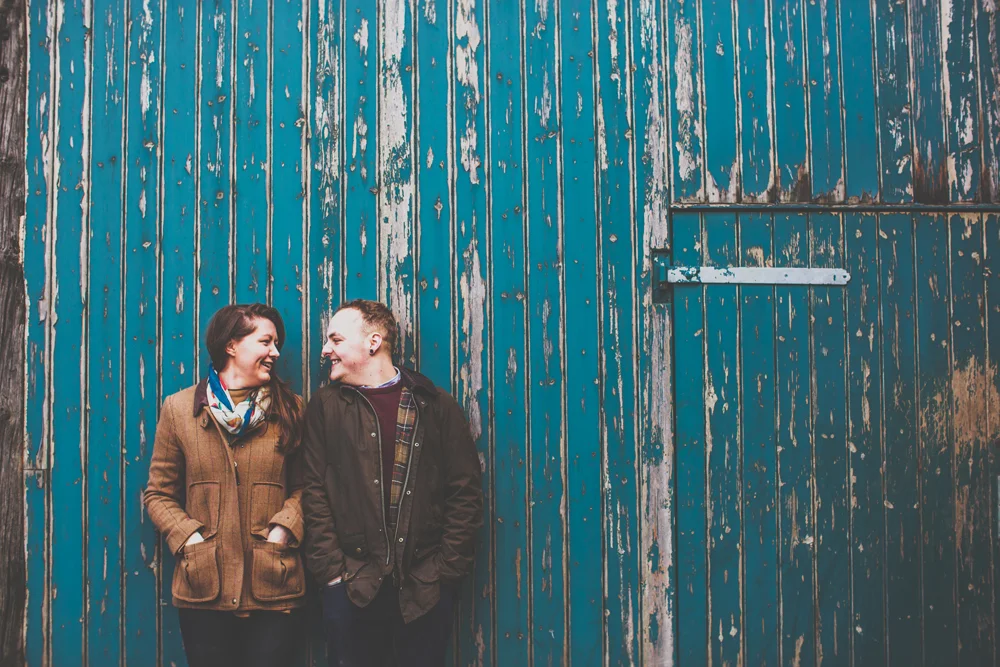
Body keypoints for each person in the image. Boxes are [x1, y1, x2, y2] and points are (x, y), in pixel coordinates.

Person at [302, 299, 483, 666]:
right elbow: (312, 490)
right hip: (351, 586)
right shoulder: (325, 407)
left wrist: (444, 571)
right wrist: (332, 574)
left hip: (424, 588)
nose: (325, 350)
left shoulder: (434, 405)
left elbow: (464, 493)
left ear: (373, 342)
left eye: (336, 340)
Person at [144, 303, 307, 667]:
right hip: (204, 585)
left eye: (277, 344)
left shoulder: (292, 409)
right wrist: (189, 538)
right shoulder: (179, 409)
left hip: (273, 582)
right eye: (266, 342)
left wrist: (283, 529)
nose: (275, 353)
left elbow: (308, 487)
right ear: (232, 345)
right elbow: (158, 493)